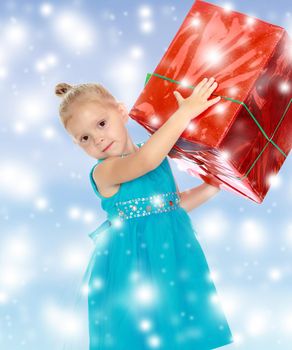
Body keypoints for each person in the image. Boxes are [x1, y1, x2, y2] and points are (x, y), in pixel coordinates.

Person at [55, 77, 234, 349]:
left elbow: (172, 205)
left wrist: (212, 186)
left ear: (122, 111)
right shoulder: (105, 172)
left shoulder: (156, 157)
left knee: (179, 332)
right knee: (139, 335)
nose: (98, 138)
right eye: (85, 138)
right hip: (132, 267)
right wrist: (185, 112)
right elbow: (146, 160)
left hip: (173, 256)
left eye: (101, 124)